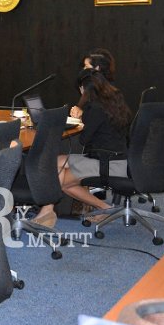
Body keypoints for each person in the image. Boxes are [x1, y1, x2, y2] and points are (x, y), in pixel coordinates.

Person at [34, 69, 132, 227]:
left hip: (107, 162)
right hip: (119, 158)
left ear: (83, 89)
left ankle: (47, 211)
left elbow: (84, 139)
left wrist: (81, 117)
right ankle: (103, 208)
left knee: (62, 179)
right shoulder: (115, 101)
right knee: (55, 163)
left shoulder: (95, 108)